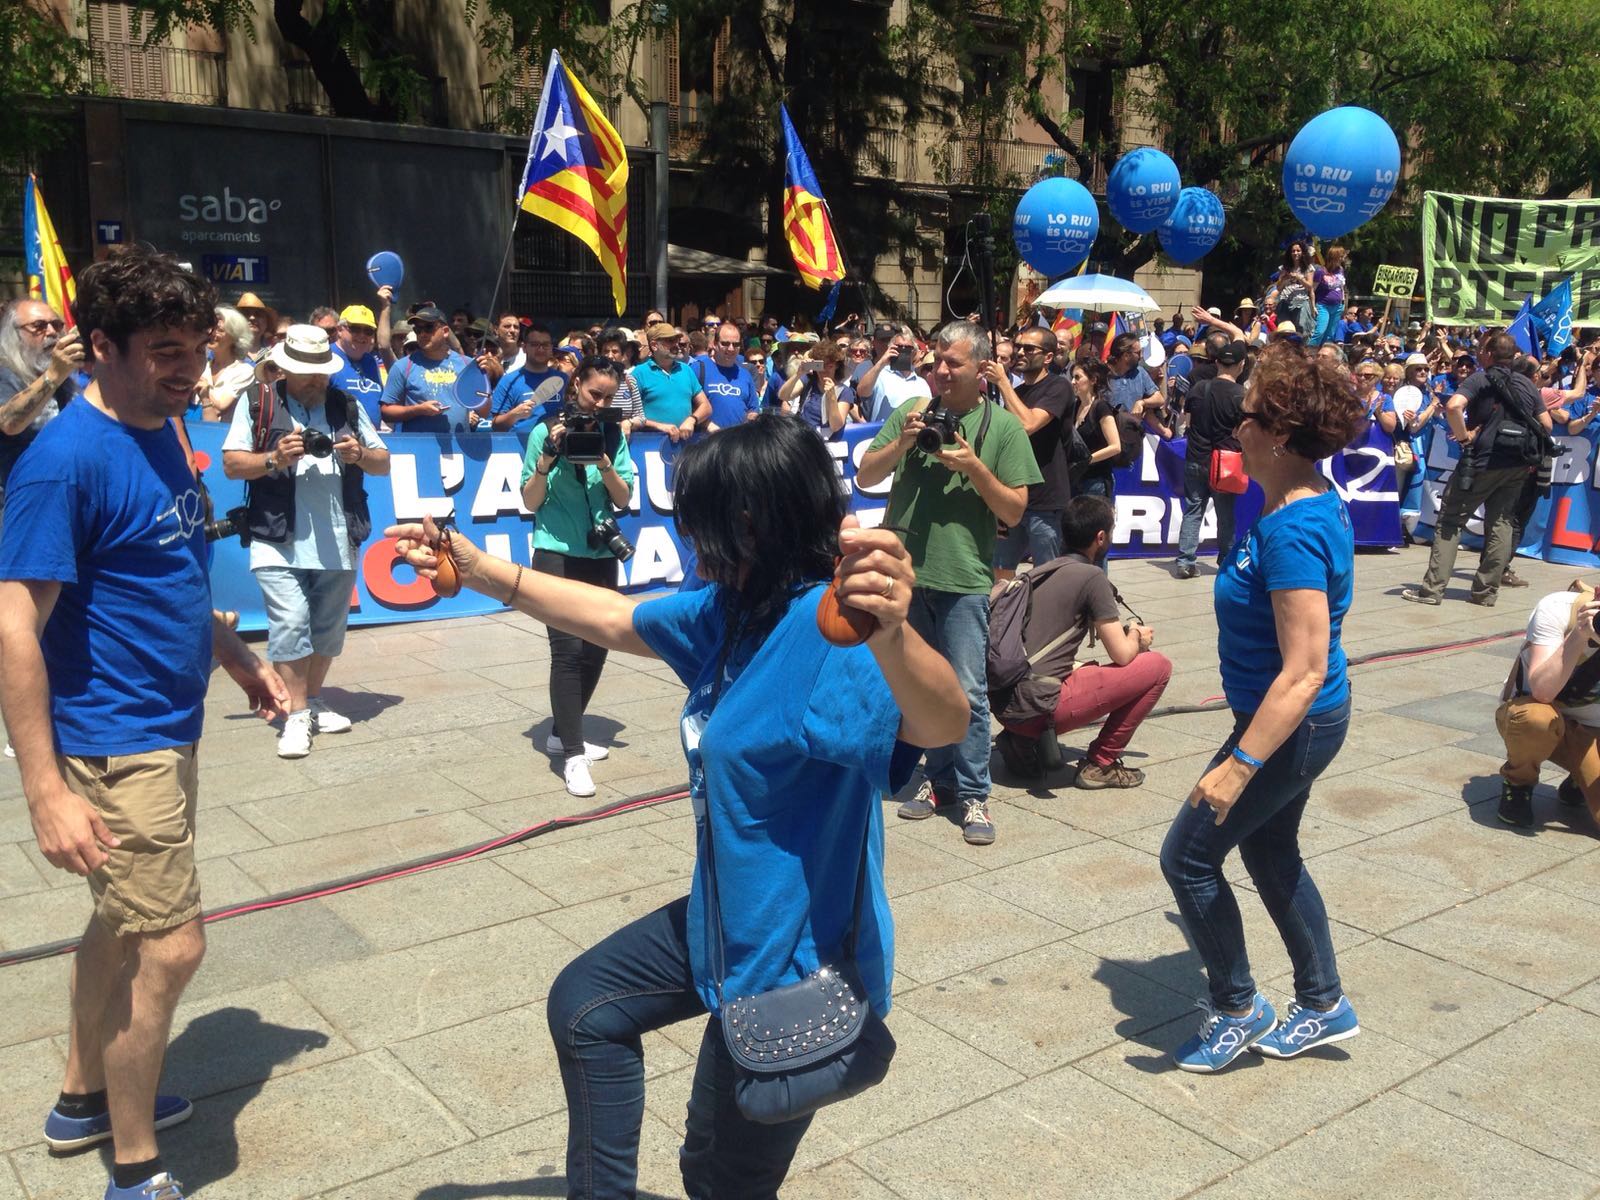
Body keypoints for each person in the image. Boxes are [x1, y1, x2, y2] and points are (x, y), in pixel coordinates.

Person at [388, 415, 966, 1199]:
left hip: (790, 962)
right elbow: (613, 618)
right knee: (587, 1005)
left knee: (719, 1178)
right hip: (719, 926)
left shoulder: (832, 635)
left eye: (698, 523)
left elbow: (940, 726)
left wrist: (894, 635)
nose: (688, 541)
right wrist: (477, 564)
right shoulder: (733, 612)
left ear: (751, 521)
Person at [0, 246, 289, 1200]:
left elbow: (165, 570)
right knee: (172, 944)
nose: (188, 368)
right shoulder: (63, 463)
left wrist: (235, 657)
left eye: (196, 346)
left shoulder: (159, 426)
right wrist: (44, 790)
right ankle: (135, 1170)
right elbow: (13, 628)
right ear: (100, 348)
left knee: (122, 927)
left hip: (167, 722)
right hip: (114, 742)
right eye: (164, 349)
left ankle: (83, 1098)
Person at [1159, 343, 1364, 1073]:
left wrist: (1240, 766)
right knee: (1271, 854)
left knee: (1186, 858)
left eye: (1244, 414)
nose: (1231, 425)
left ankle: (1239, 1007)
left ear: (1276, 434)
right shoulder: (1284, 502)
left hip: (1292, 725)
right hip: (1289, 719)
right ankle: (1324, 1002)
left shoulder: (1295, 529)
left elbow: (1304, 671)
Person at [857, 320, 1042, 846]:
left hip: (963, 578)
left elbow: (1015, 508)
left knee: (966, 690)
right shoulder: (909, 413)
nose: (939, 370)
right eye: (936, 360)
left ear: (981, 368)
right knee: (917, 686)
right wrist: (903, 443)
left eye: (951, 363)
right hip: (904, 576)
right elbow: (866, 476)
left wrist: (974, 468)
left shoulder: (1002, 428)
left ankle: (973, 792)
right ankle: (935, 781)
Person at [222, 325, 390, 758]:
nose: (318, 381)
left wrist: (359, 455)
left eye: (322, 372)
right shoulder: (258, 402)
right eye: (307, 373)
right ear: (284, 370)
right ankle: (295, 716)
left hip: (338, 535)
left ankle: (311, 699)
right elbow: (232, 464)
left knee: (327, 631)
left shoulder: (346, 406)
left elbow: (383, 463)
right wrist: (275, 458)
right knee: (291, 624)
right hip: (277, 535)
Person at [993, 496, 1172, 787]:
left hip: (1007, 706)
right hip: (1040, 708)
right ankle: (1102, 762)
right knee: (1158, 666)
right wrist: (1137, 635)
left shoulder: (1039, 573)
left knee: (1077, 667)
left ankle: (1020, 741)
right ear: (1100, 537)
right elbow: (1122, 654)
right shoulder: (1092, 577)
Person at [520, 357, 635, 796]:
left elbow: (623, 497)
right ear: (576, 386)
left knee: (600, 644)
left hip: (600, 549)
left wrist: (606, 463)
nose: (600, 403)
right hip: (555, 553)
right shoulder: (542, 432)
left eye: (609, 397)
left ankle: (561, 731)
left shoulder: (612, 434)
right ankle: (572, 755)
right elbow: (531, 503)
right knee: (567, 651)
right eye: (594, 394)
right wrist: (547, 459)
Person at [1403, 333, 1550, 608]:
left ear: (1489, 354)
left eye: (1482, 349)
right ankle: (1485, 593)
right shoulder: (1527, 385)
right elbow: (1547, 425)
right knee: (1502, 523)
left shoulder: (1480, 378)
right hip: (1517, 464)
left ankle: (1432, 589)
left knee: (1449, 521)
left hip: (1482, 461)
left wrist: (1463, 437)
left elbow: (1453, 405)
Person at [1494, 582, 1600, 828]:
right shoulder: (1558, 609)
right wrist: (1579, 634)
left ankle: (1578, 778)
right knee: (1535, 718)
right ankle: (1519, 783)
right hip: (1542, 717)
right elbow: (1542, 691)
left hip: (1592, 733)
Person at [988, 325, 1073, 579]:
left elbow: (1028, 425)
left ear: (1048, 356)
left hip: (1046, 500)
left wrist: (1003, 382)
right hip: (1015, 496)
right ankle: (1004, 616)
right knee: (1000, 571)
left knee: (1046, 575)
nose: (1020, 353)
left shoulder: (1059, 387)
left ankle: (1044, 619)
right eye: (1018, 347)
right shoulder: (1018, 393)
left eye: (1029, 348)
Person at [1175, 340, 1249, 579]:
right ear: (1241, 365)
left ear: (1217, 363)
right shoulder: (1241, 395)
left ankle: (1185, 561)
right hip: (1226, 462)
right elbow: (1244, 430)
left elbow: (1186, 419)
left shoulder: (1199, 389)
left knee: (1193, 509)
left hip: (1196, 456)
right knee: (1225, 514)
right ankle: (1226, 561)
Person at [0, 299, 82, 498]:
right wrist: (54, 375)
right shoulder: (6, 372)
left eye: (57, 325)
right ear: (15, 335)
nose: (52, 332)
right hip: (19, 500)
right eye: (38, 326)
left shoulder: (63, 376)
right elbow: (9, 422)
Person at [379, 305, 474, 433]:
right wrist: (418, 410)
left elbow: (484, 410)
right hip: (419, 448)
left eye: (429, 328)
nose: (423, 334)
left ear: (445, 331)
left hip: (460, 448)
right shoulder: (402, 366)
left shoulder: (467, 364)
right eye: (418, 329)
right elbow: (386, 412)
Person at [631, 322, 711, 443]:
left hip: (685, 446)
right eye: (670, 341)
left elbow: (706, 406)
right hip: (650, 445)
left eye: (676, 340)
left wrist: (692, 419)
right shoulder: (639, 373)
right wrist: (660, 426)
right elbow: (630, 415)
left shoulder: (686, 370)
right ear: (654, 345)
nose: (676, 345)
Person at [490, 323, 566, 433]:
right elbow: (495, 425)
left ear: (551, 348)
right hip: (520, 448)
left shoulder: (564, 380)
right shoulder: (509, 381)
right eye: (535, 344)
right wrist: (514, 415)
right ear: (524, 348)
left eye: (545, 345)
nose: (541, 349)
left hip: (555, 447)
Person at [1067, 359, 1122, 501]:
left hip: (1096, 482)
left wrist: (1087, 460)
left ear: (1093, 380)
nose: (1073, 382)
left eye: (1077, 377)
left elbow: (1115, 446)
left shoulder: (1101, 407)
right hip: (1075, 480)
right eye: (1072, 377)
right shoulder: (1074, 407)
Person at [855, 326, 932, 424]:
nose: (903, 350)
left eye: (908, 348)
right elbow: (861, 392)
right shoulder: (879, 375)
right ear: (890, 349)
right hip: (884, 436)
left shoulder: (922, 383)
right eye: (898, 347)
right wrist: (882, 362)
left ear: (914, 352)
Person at [779, 338, 853, 438]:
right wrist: (798, 374)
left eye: (829, 366)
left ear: (837, 366)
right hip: (804, 437)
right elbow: (783, 396)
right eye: (821, 365)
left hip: (828, 442)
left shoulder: (845, 391)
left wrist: (831, 397)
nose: (824, 370)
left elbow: (836, 426)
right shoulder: (808, 381)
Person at [193, 305, 255, 423]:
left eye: (220, 330)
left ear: (235, 337)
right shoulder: (201, 364)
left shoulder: (244, 371)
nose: (212, 333)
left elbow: (221, 406)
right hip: (192, 427)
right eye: (212, 328)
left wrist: (205, 392)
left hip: (223, 434)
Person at [694, 322, 762, 430]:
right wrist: (707, 425)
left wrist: (751, 418)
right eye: (725, 343)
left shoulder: (745, 375)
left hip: (737, 442)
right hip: (706, 442)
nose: (731, 349)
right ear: (714, 344)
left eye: (735, 344)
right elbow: (687, 407)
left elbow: (753, 409)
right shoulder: (697, 369)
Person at [330, 304, 386, 428]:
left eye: (368, 331)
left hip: (373, 441)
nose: (362, 335)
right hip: (343, 441)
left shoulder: (370, 361)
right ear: (339, 330)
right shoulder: (327, 358)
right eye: (355, 329)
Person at [1105, 332, 1158, 414]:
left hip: (1133, 425)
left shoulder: (1139, 372)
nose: (1141, 356)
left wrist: (1142, 402)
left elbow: (1159, 398)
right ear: (1126, 356)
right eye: (1138, 353)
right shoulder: (1103, 376)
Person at [1310, 245, 1349, 347]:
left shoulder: (1340, 270)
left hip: (1337, 306)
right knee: (1320, 331)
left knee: (1330, 335)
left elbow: (1341, 287)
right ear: (1334, 257)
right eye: (1341, 256)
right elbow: (1312, 290)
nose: (1343, 259)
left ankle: (1324, 354)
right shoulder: (1320, 271)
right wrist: (1313, 306)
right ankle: (1310, 351)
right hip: (1323, 305)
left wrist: (1343, 302)